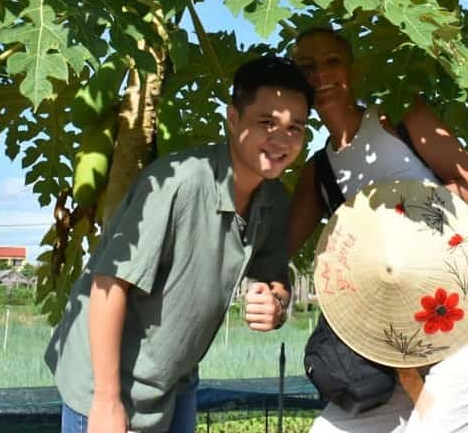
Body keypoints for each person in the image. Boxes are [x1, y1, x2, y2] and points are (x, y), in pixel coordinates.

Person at [45, 56, 315, 433]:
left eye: (295, 129)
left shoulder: (273, 201)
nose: (282, 139)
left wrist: (278, 305)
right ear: (233, 119)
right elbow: (108, 283)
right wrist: (106, 401)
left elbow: (274, 279)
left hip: (175, 384)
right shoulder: (178, 183)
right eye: (266, 123)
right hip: (106, 386)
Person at [288, 28, 468, 433]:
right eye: (306, 67)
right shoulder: (319, 172)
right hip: (404, 349)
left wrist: (387, 217)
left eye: (332, 61)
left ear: (354, 68)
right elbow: (274, 247)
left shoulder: (399, 119)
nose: (320, 75)